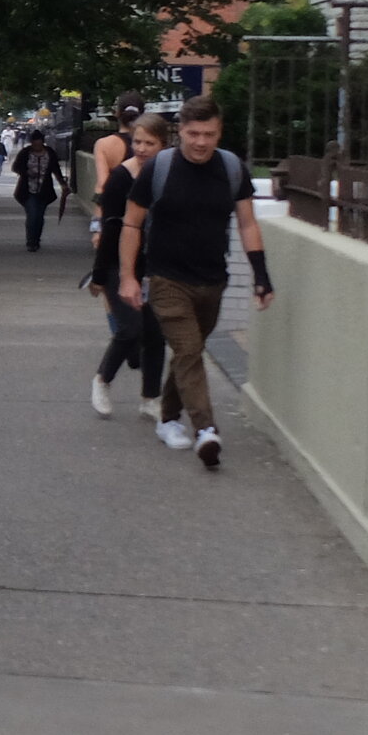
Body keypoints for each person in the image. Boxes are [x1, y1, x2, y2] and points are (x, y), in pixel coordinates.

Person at [118, 95, 275, 468]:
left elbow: (248, 223)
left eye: (209, 134)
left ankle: (169, 419)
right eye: (193, 134)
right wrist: (127, 277)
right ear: (180, 133)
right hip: (166, 278)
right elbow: (131, 224)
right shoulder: (159, 168)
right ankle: (206, 430)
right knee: (189, 352)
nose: (201, 142)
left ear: (219, 132)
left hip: (212, 281)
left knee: (188, 354)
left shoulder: (232, 168)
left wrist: (261, 276)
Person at [86, 112, 168, 419]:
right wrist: (98, 275)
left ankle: (150, 398)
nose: (142, 148)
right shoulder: (122, 177)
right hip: (116, 264)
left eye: (150, 143)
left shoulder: (167, 175)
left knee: (155, 334)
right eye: (137, 141)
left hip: (154, 266)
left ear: (164, 145)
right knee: (130, 329)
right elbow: (110, 229)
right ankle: (102, 379)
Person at [89, 95, 145, 236]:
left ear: (117, 114)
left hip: (114, 210)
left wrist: (97, 224)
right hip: (142, 207)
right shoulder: (151, 145)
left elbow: (102, 184)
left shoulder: (104, 144)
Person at [11, 127, 65, 251]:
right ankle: (31, 241)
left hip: (44, 191)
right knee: (32, 214)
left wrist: (63, 183)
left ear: (42, 141)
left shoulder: (49, 153)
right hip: (28, 190)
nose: (37, 145)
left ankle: (36, 239)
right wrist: (27, 173)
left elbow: (56, 169)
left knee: (39, 216)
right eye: (35, 142)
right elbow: (16, 167)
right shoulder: (25, 153)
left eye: (39, 142)